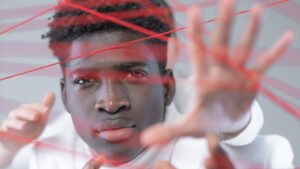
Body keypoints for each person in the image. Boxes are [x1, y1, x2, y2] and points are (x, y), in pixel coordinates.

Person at [0, 0, 294, 168]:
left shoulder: (208, 149)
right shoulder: (46, 151)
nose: (111, 103)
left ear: (168, 86)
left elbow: (254, 147)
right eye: (85, 81)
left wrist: (235, 121)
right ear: (65, 94)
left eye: (133, 75)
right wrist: (7, 148)